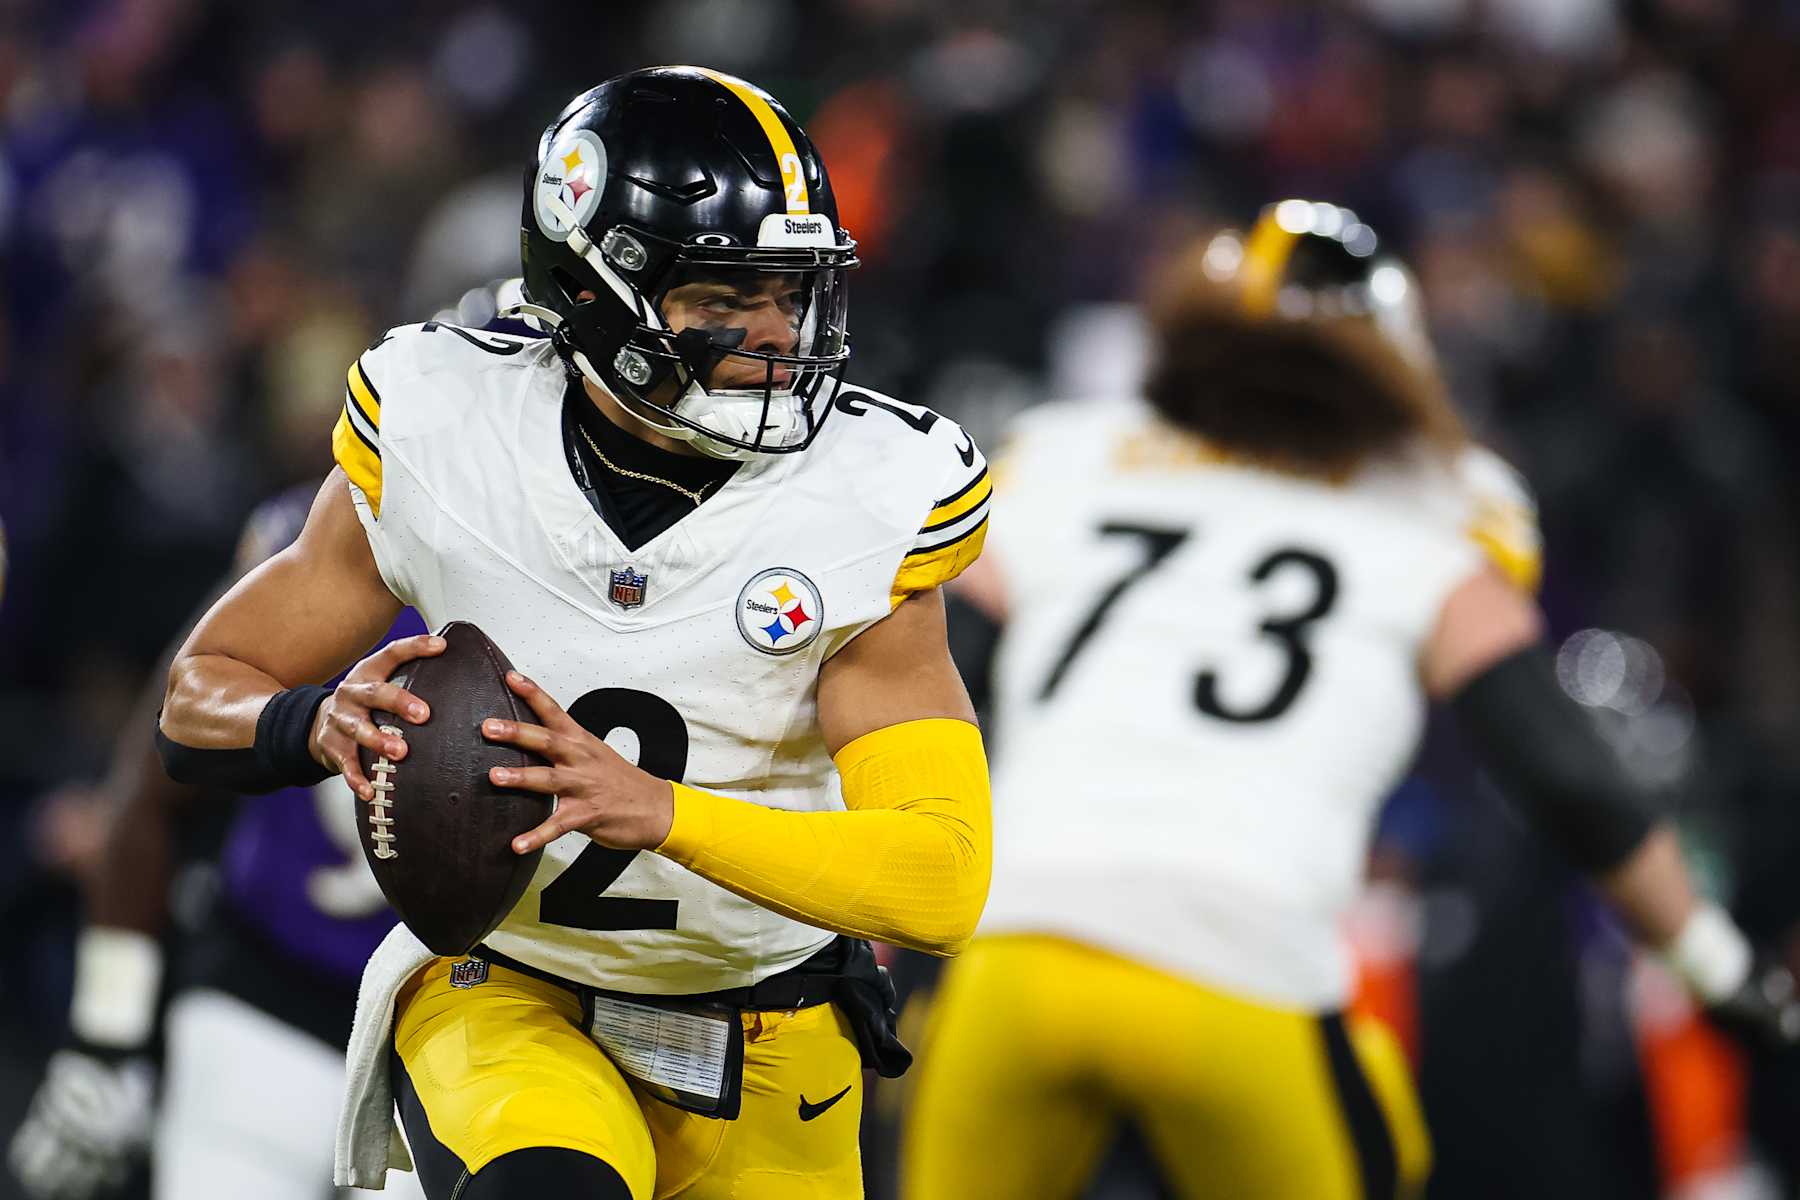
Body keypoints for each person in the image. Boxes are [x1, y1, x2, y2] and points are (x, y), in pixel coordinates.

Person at [156, 66, 993, 1200]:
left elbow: (940, 878)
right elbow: (202, 685)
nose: (775, 336)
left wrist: (661, 812)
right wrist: (310, 719)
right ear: (596, 292)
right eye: (724, 299)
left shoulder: (868, 495)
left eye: (791, 294)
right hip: (514, 993)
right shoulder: (449, 427)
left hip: (769, 1029)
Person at [900, 200, 1799, 1199]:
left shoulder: (1071, 452)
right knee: (1379, 1127)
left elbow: (923, 673)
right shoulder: (1443, 503)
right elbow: (1565, 773)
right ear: (1390, 364)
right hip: (1239, 964)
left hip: (1014, 952)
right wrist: (1719, 969)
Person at [9, 482, 428, 1200]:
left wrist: (107, 1040)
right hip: (272, 997)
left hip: (461, 1030)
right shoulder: (333, 531)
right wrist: (107, 1042)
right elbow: (148, 790)